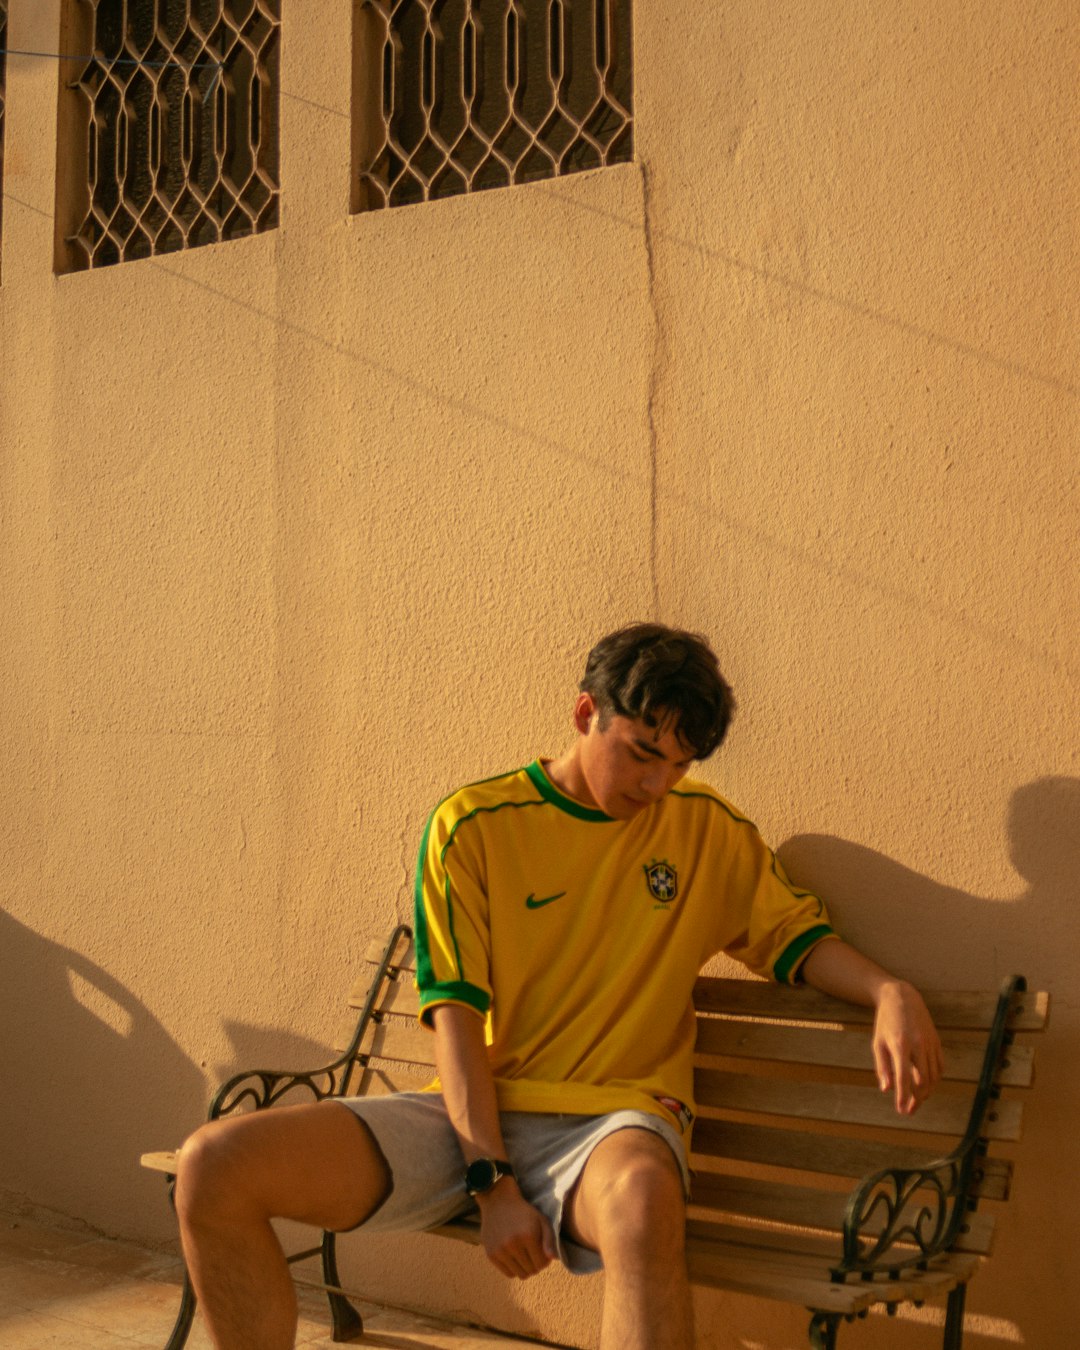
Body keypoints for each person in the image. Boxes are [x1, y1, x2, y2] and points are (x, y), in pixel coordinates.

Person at [174, 624, 943, 1350]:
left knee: (643, 1207)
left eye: (679, 765)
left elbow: (795, 941)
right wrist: (492, 1184)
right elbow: (457, 1023)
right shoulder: (474, 825)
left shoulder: (707, 831)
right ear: (585, 713)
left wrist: (889, 992)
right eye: (643, 752)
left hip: (617, 1123)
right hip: (469, 1122)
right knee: (214, 1164)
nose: (657, 783)